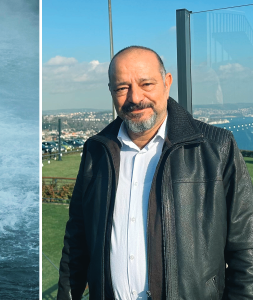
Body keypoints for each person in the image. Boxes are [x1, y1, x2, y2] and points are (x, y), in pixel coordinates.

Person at [58, 46, 253, 300]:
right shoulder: (97, 151)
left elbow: (246, 251)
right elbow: (77, 241)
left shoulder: (217, 148)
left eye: (146, 84)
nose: (135, 98)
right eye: (122, 88)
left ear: (167, 82)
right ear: (111, 92)